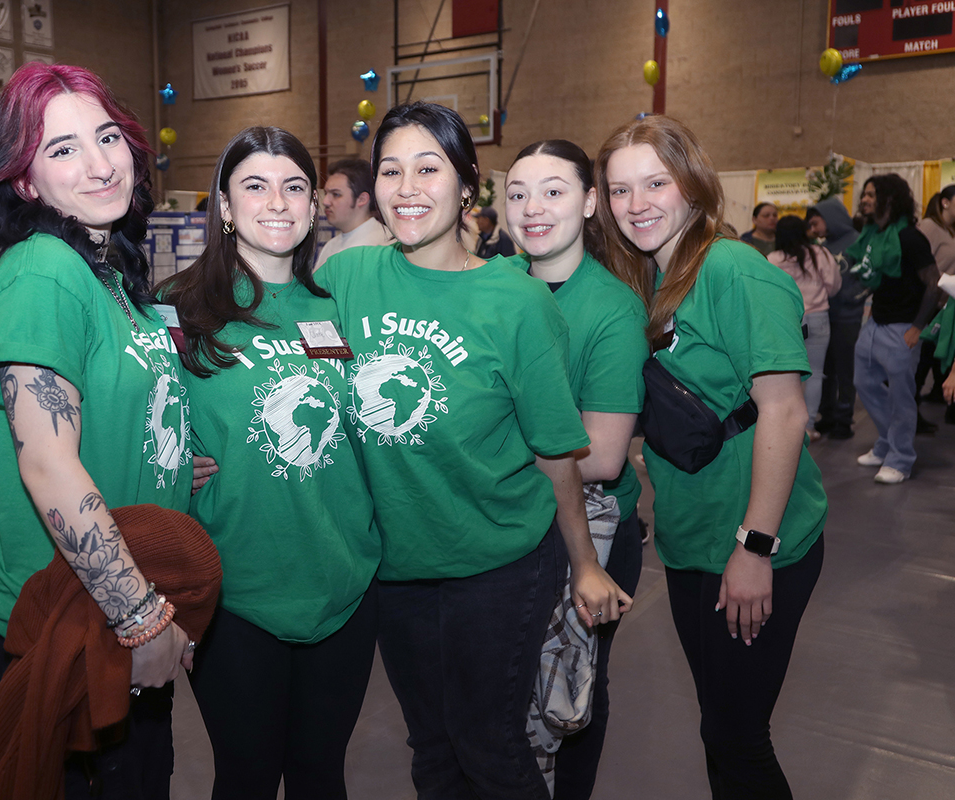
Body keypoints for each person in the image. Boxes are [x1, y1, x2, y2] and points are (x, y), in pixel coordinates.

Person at [316, 101, 631, 800]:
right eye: (391, 170)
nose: (407, 188)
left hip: (497, 566)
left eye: (429, 169)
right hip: (393, 569)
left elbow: (557, 453)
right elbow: (278, 353)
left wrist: (584, 564)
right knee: (430, 749)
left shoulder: (515, 302)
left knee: (490, 748)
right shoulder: (346, 279)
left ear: (467, 186)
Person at [0, 62, 194, 797]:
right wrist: (139, 619)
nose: (100, 165)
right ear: (24, 182)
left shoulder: (108, 272)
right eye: (61, 149)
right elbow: (48, 467)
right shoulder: (43, 273)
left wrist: (170, 461)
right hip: (58, 619)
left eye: (107, 137)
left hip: (107, 597)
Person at [596, 115, 827, 800]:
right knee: (718, 728)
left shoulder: (732, 270)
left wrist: (755, 546)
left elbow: (785, 410)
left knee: (736, 737)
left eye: (654, 183)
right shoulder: (645, 279)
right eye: (618, 189)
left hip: (758, 542)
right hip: (692, 538)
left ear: (693, 185)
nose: (636, 204)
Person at [158, 127, 380, 799]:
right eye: (255, 185)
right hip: (234, 598)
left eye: (294, 187)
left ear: (315, 206)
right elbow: (128, 423)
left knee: (320, 775)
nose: (277, 202)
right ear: (224, 206)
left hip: (343, 586)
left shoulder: (341, 308)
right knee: (247, 777)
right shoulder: (176, 312)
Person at [502, 138, 648, 799]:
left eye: (554, 191)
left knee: (572, 692)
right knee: (502, 691)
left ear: (590, 202)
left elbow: (604, 451)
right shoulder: (491, 288)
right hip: (504, 526)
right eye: (518, 193)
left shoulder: (610, 307)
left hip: (588, 532)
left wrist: (472, 453)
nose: (533, 208)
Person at [849, 174, 942, 484]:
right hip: (875, 323)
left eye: (871, 194)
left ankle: (900, 459)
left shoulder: (910, 238)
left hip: (903, 328)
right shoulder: (873, 235)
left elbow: (934, 284)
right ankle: (887, 441)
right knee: (863, 382)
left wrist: (918, 327)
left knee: (902, 396)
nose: (864, 199)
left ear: (889, 198)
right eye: (865, 194)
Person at [768, 214, 841, 441]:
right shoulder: (820, 254)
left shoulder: (772, 258)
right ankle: (808, 427)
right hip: (818, 317)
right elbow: (834, 285)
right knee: (816, 374)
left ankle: (789, 426)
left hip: (786, 321)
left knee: (787, 375)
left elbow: (769, 292)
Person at [808, 199, 865, 440]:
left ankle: (844, 418)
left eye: (816, 223)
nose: (814, 229)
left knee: (845, 370)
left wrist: (853, 297)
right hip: (824, 315)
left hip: (847, 316)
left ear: (830, 217)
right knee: (826, 370)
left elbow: (868, 277)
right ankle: (827, 415)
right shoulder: (824, 246)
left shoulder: (858, 241)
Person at [915, 186, 955, 420]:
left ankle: (942, 398)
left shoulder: (950, 231)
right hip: (930, 306)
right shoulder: (929, 227)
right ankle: (912, 415)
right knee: (921, 362)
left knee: (936, 357)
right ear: (945, 202)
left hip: (945, 306)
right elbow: (918, 264)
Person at [314, 158, 393, 270]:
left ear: (362, 199)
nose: (325, 201)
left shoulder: (385, 245)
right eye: (326, 193)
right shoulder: (331, 246)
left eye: (336, 194)